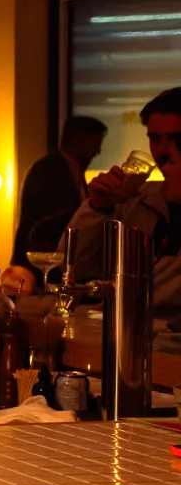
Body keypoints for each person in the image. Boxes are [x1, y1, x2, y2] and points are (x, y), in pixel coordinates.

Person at [70, 87, 181, 320]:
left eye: (176, 140)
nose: (163, 152)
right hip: (121, 333)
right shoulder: (136, 200)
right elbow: (72, 269)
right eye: (155, 139)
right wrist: (97, 207)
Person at [14, 116, 107, 270]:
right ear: (75, 140)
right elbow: (53, 222)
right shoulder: (48, 171)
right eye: (94, 144)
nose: (97, 151)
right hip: (41, 267)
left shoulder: (69, 170)